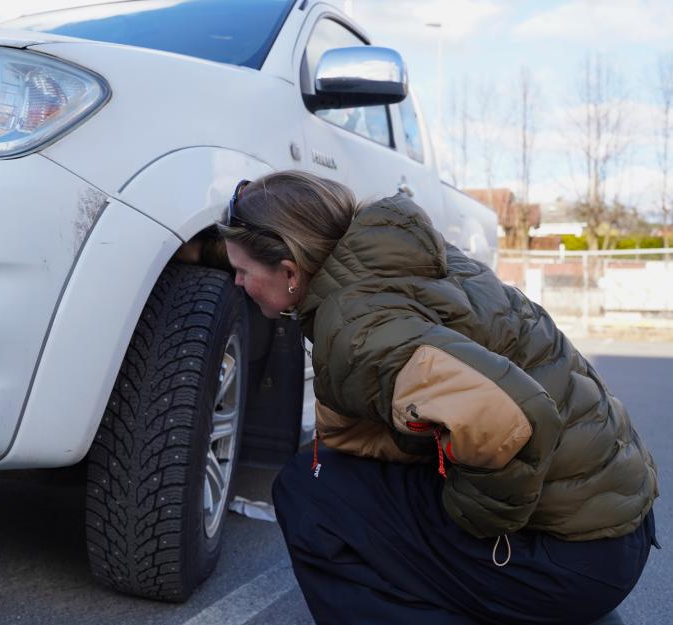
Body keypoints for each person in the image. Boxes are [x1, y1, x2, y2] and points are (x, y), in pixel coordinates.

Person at [215, 170, 660, 625]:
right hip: (614, 532)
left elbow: (509, 419)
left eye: (242, 270)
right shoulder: (394, 261)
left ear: (290, 272)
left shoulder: (358, 332)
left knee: (306, 493)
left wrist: (470, 522)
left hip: (572, 559)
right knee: (337, 480)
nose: (236, 283)